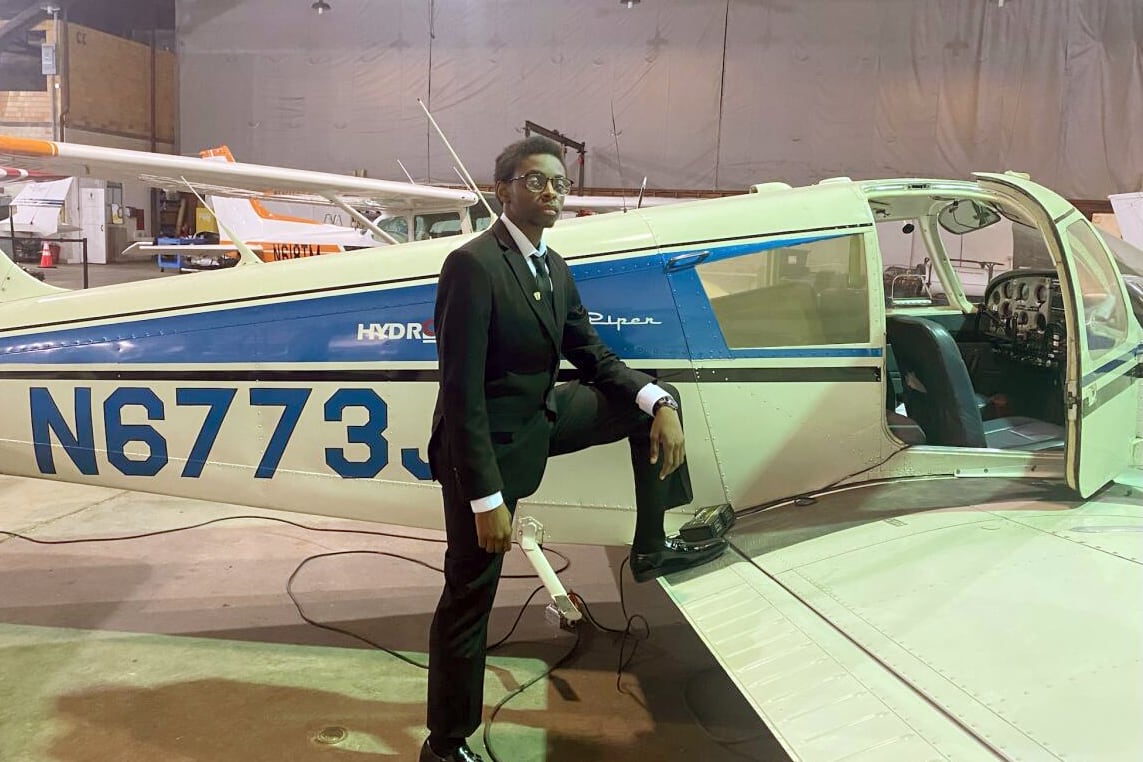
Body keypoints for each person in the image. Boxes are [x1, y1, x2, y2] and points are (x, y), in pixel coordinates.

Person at [421, 136, 727, 762]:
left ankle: (651, 546)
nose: (552, 192)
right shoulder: (473, 265)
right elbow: (461, 395)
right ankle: (444, 745)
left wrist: (657, 404)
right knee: (468, 597)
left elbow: (590, 354)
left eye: (559, 183)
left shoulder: (552, 267)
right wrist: (487, 501)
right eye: (537, 181)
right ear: (502, 188)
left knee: (652, 400)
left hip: (537, 419)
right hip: (481, 449)